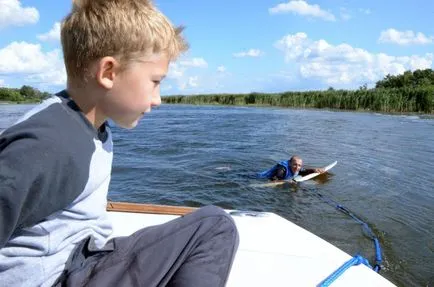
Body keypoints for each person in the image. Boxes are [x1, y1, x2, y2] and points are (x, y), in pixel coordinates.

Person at [0, 1, 239, 286]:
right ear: (109, 73)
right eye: (155, 81)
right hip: (61, 277)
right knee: (214, 227)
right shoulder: (48, 143)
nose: (158, 99)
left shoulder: (90, 125)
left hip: (83, 261)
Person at [258, 155, 325, 181]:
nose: (297, 167)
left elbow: (303, 171)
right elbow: (274, 180)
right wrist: (286, 182)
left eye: (299, 165)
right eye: (295, 165)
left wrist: (314, 170)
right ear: (289, 163)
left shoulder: (297, 168)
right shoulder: (282, 169)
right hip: (259, 178)